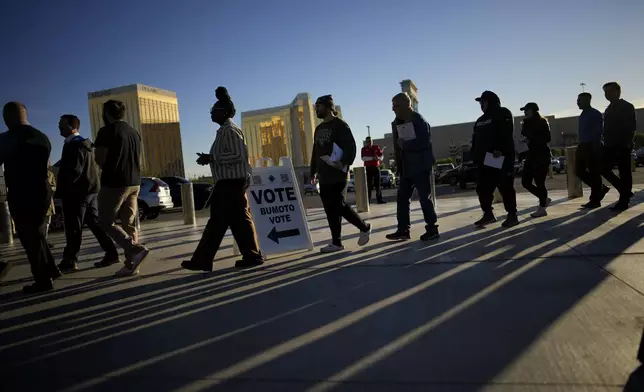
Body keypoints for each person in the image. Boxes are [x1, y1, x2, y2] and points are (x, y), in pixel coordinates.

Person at [181, 87, 264, 271]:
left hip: (231, 184)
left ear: (224, 112)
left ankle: (204, 259)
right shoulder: (225, 130)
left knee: (221, 222)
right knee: (234, 222)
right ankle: (251, 256)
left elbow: (237, 154)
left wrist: (211, 158)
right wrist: (210, 158)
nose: (211, 113)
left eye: (214, 110)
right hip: (229, 184)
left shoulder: (230, 130)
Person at [0, 102, 61, 293]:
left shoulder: (8, 138)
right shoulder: (43, 137)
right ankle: (51, 269)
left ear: (6, 117)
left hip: (22, 192)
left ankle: (43, 281)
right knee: (37, 234)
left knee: (29, 237)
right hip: (42, 191)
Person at [56, 114, 119, 272]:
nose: (59, 128)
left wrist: (62, 190)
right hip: (90, 191)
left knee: (73, 227)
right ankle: (111, 253)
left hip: (76, 193)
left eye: (61, 125)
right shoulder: (86, 144)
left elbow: (73, 172)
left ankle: (70, 260)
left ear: (72, 127)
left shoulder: (73, 145)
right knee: (95, 225)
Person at [94, 100, 148, 276]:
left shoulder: (106, 131)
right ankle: (131, 265)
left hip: (115, 183)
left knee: (105, 221)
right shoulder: (134, 133)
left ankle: (134, 249)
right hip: (135, 182)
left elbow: (100, 159)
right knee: (129, 223)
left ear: (106, 113)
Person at [310, 94, 371, 253]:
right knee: (330, 209)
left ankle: (364, 227)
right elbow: (315, 152)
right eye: (315, 106)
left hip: (338, 173)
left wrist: (343, 162)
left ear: (329, 107)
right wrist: (313, 171)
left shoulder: (340, 126)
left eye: (319, 106)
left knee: (339, 204)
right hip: (323, 176)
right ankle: (336, 243)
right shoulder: (319, 129)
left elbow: (351, 147)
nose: (316, 109)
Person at [385, 92, 439, 241]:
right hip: (406, 168)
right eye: (392, 106)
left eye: (396, 105)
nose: (393, 109)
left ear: (407, 104)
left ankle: (432, 228)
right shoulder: (397, 122)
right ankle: (403, 230)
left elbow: (423, 143)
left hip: (421, 166)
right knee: (402, 198)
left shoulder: (419, 121)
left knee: (424, 198)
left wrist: (406, 145)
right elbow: (398, 147)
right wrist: (399, 164)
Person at [470, 91, 519, 228]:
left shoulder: (503, 113)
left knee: (505, 187)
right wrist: (473, 154)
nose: (481, 105)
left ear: (490, 101)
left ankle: (512, 215)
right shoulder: (480, 120)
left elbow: (506, 133)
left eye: (483, 102)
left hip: (498, 157)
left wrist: (500, 149)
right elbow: (475, 139)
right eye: (480, 103)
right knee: (482, 188)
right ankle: (488, 214)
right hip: (484, 160)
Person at [601, 82, 637, 211]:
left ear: (618, 91)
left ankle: (624, 201)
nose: (607, 94)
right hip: (610, 145)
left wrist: (626, 143)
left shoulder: (626, 106)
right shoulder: (608, 109)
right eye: (605, 92)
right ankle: (625, 191)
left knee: (625, 173)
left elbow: (631, 127)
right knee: (603, 168)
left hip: (622, 145)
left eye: (609, 91)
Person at [575, 92, 609, 209]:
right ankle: (601, 188)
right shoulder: (582, 115)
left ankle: (595, 200)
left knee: (594, 174)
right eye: (577, 100)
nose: (578, 102)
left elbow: (598, 132)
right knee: (579, 171)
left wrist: (594, 147)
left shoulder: (595, 114)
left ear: (588, 100)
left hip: (592, 146)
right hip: (582, 146)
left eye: (580, 100)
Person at [519, 102, 552, 217]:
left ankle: (542, 209)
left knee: (539, 182)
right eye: (524, 110)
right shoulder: (526, 123)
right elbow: (524, 136)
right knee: (525, 182)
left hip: (542, 154)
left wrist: (530, 139)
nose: (525, 112)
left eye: (527, 110)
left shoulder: (542, 122)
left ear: (534, 110)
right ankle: (544, 198)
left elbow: (547, 138)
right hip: (531, 154)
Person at [361, 137, 386, 204]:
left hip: (376, 167)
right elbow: (363, 158)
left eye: (370, 141)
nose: (369, 142)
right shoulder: (364, 149)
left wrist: (379, 158)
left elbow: (381, 155)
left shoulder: (376, 147)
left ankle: (379, 200)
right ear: (366, 142)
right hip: (368, 168)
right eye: (368, 141)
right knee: (369, 185)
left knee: (378, 184)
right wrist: (372, 158)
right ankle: (368, 201)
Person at [45, 165, 56, 248]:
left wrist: (50, 188)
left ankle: (45, 241)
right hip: (39, 203)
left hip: (48, 201)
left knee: (47, 223)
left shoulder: (50, 174)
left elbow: (55, 186)